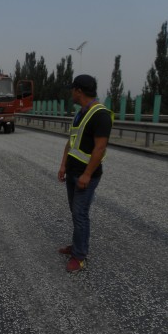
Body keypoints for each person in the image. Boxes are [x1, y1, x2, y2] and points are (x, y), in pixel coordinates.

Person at [57, 74, 113, 272]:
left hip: (85, 175)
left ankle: (79, 256)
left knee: (80, 214)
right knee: (76, 212)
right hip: (73, 171)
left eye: (72, 89)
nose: (71, 93)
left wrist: (87, 174)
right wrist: (63, 165)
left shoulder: (100, 115)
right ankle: (77, 245)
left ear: (79, 91)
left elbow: (100, 148)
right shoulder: (81, 113)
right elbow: (71, 142)